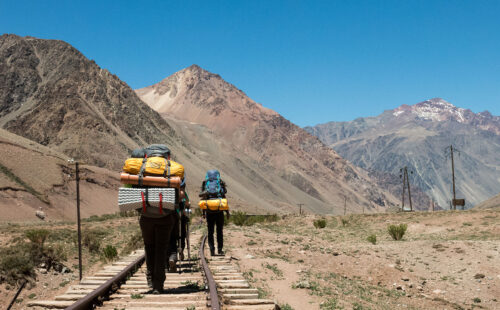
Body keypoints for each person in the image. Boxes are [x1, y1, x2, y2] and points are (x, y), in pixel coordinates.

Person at [137, 146, 184, 294]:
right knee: (161, 249)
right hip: (165, 217)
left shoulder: (142, 168)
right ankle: (158, 285)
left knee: (149, 247)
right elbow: (180, 194)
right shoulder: (170, 169)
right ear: (167, 156)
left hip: (146, 216)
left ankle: (150, 280)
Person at [200, 170, 229, 256]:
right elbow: (224, 196)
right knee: (219, 231)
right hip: (219, 210)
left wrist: (203, 213)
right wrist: (227, 212)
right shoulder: (220, 183)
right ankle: (220, 250)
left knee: (210, 231)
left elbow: (203, 198)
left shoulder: (205, 184)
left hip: (209, 210)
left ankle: (212, 250)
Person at [166, 191, 190, 272]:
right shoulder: (180, 191)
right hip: (177, 217)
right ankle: (175, 256)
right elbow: (187, 203)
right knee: (177, 237)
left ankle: (166, 264)